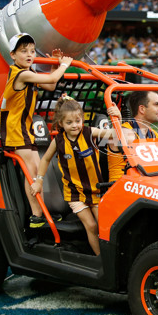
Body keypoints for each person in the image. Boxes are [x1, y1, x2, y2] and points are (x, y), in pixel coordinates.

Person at [31, 96, 121, 255]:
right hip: (75, 194)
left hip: (96, 190)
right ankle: (100, 258)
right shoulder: (58, 141)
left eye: (78, 121)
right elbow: (44, 159)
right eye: (69, 123)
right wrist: (39, 181)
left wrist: (118, 119)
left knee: (105, 225)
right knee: (91, 226)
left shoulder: (89, 132)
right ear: (61, 124)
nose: (75, 126)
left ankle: (112, 258)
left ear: (83, 120)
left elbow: (113, 134)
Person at [0, 33, 73, 228]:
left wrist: (54, 65)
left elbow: (51, 84)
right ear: (13, 55)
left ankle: (41, 211)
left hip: (24, 129)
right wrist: (64, 65)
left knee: (37, 171)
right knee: (32, 173)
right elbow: (52, 79)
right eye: (23, 51)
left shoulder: (28, 72)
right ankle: (36, 215)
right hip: (16, 130)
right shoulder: (20, 74)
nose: (29, 54)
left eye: (32, 51)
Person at [108, 91, 158, 182]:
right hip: (122, 189)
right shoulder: (127, 133)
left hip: (145, 186)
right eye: (156, 104)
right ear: (142, 109)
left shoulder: (156, 135)